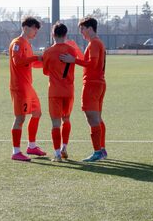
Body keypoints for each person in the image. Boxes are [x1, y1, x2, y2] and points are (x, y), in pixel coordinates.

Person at [60, 17, 107, 162]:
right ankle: (102, 150)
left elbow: (92, 64)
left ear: (90, 28)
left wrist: (73, 60)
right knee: (97, 118)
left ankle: (97, 151)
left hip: (92, 84)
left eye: (82, 28)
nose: (81, 32)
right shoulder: (97, 43)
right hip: (99, 83)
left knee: (92, 118)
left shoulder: (94, 44)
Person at [8, 16, 47, 161]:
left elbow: (30, 63)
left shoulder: (27, 44)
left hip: (28, 86)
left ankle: (31, 146)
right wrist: (36, 58)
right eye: (34, 28)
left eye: (37, 29)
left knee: (37, 113)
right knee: (20, 118)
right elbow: (18, 61)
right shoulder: (17, 43)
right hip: (19, 87)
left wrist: (45, 62)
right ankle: (16, 151)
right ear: (25, 28)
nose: (36, 32)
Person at [42, 22, 78, 162]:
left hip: (55, 91)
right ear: (66, 34)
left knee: (55, 123)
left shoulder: (48, 52)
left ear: (53, 34)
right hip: (68, 90)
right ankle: (64, 147)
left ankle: (57, 154)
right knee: (66, 119)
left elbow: (45, 72)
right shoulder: (72, 50)